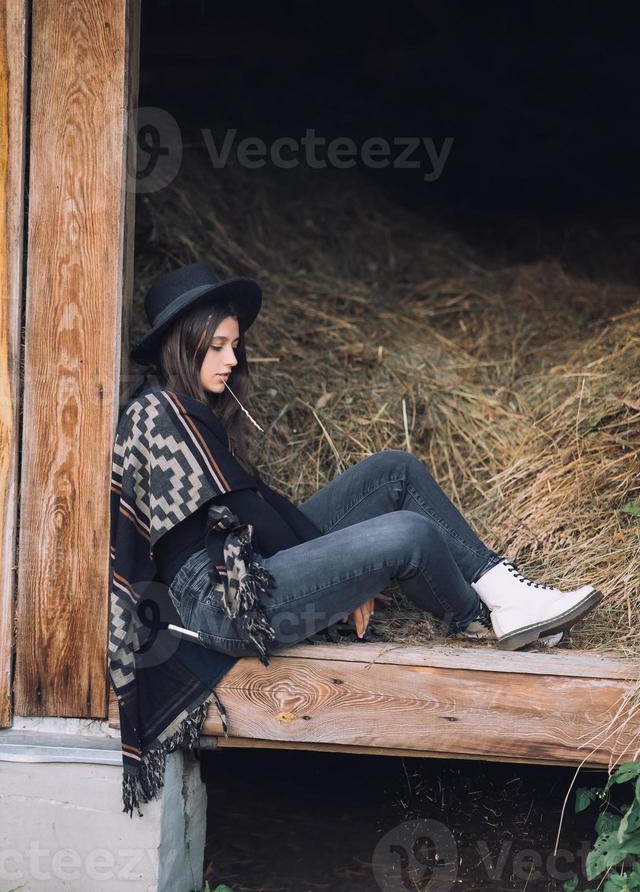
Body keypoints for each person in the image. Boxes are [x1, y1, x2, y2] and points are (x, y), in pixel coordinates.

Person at [126, 261, 603, 659]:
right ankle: (475, 619)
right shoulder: (159, 409)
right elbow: (250, 512)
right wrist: (348, 574)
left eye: (234, 346)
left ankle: (508, 596)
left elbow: (264, 505)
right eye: (216, 347)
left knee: (394, 471)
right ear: (182, 343)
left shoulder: (196, 410)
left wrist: (340, 565)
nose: (231, 359)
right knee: (407, 533)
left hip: (251, 565)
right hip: (221, 601)